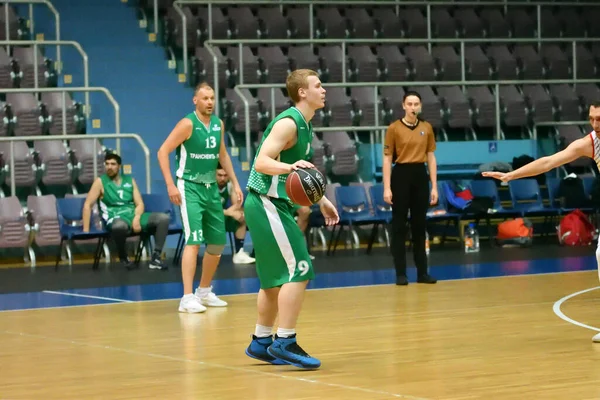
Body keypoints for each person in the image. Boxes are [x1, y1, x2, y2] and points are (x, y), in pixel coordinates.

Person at [243, 69, 339, 369]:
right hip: (266, 202)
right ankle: (284, 340)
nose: (324, 90)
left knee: (273, 282)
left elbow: (300, 175)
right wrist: (289, 169)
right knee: (300, 268)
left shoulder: (305, 124)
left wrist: (321, 199)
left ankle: (261, 342)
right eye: (318, 85)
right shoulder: (288, 123)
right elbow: (261, 161)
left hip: (268, 203)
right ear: (302, 92)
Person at [482, 101, 600, 343]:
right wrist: (511, 175)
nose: (595, 124)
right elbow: (548, 162)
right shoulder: (589, 143)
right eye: (591, 118)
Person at [157, 82, 244, 314]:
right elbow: (162, 151)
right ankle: (186, 298)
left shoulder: (218, 124)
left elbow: (222, 154)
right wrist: (170, 185)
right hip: (189, 186)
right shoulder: (187, 124)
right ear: (195, 100)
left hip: (211, 188)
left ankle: (203, 291)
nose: (210, 102)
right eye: (205, 98)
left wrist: (236, 183)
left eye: (212, 98)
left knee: (216, 243)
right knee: (194, 241)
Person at [382, 90, 438, 286]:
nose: (413, 107)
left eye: (416, 104)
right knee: (399, 226)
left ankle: (422, 272)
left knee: (419, 225)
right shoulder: (393, 128)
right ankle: (400, 274)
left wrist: (434, 186)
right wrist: (387, 187)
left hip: (420, 175)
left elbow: (431, 156)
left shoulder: (427, 128)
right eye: (409, 104)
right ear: (403, 106)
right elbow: (388, 158)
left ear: (420, 106)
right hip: (401, 175)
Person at [82, 153, 169, 270]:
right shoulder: (100, 182)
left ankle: (156, 258)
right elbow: (88, 204)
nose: (109, 167)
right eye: (107, 164)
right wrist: (86, 230)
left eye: (113, 164)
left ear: (119, 166)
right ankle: (123, 256)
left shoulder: (130, 180)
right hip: (115, 217)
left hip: (133, 215)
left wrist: (137, 218)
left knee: (163, 218)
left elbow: (140, 203)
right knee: (119, 226)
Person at [216, 165, 255, 264]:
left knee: (241, 215)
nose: (222, 178)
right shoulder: (209, 186)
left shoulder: (230, 185)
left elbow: (237, 204)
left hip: (222, 215)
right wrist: (228, 212)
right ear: (214, 175)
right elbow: (208, 210)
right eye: (219, 175)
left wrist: (232, 212)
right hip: (210, 218)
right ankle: (211, 254)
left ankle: (238, 253)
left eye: (225, 175)